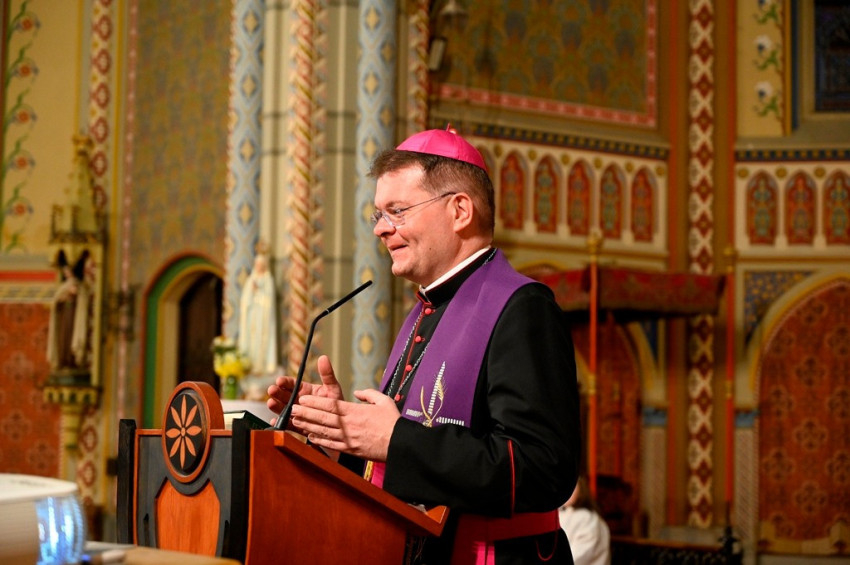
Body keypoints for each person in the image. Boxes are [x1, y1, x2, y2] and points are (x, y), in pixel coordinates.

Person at [267, 128, 581, 563]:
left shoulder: (521, 307)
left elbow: (544, 469)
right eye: (378, 214)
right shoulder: (424, 312)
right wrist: (344, 440)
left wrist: (393, 439)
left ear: (460, 211)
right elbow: (412, 466)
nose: (381, 229)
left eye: (397, 211)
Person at [238, 251, 278, 376]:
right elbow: (245, 301)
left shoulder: (268, 280)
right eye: (257, 264)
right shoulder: (251, 279)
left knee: (261, 342)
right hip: (252, 318)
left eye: (261, 265)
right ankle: (249, 366)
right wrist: (252, 293)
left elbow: (269, 301)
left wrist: (258, 292)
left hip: (263, 319)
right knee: (251, 343)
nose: (259, 267)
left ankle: (262, 367)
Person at [559, 476, 611, 565]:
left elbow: (578, 555)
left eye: (571, 487)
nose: (565, 492)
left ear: (581, 490)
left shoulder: (587, 518)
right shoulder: (563, 513)